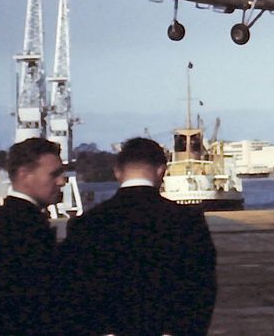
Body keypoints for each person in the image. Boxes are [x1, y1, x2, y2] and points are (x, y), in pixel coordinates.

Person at [64, 137, 217, 336]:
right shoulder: (188, 221)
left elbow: (74, 293)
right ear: (162, 171)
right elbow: (201, 289)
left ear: (117, 172)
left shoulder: (84, 225)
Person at [0, 137, 67, 335]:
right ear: (25, 175)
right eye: (54, 174)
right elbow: (37, 302)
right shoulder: (24, 229)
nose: (62, 181)